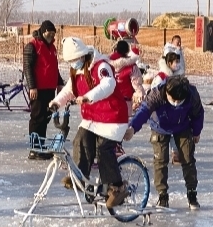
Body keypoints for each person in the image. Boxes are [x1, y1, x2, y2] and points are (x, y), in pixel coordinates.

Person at [49, 36, 129, 208]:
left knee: (103, 149)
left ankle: (117, 187)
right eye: (69, 61)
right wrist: (56, 103)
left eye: (74, 60)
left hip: (113, 117)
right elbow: (69, 90)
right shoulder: (76, 71)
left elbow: (108, 84)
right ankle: (79, 177)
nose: (73, 63)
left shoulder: (101, 66)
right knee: (80, 140)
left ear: (82, 55)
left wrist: (88, 96)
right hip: (93, 118)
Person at [124, 76, 204, 210]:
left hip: (183, 127)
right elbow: (144, 111)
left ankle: (192, 193)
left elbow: (198, 113)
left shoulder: (191, 94)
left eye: (179, 101)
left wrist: (196, 132)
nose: (175, 102)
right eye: (173, 99)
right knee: (160, 161)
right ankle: (162, 195)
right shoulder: (157, 94)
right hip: (159, 127)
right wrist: (133, 128)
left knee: (188, 159)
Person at [23, 20, 64, 160]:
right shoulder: (32, 46)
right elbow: (27, 68)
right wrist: (32, 86)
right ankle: (34, 149)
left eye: (53, 33)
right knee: (37, 118)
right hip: (38, 89)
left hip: (49, 88)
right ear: (43, 31)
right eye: (49, 32)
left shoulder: (52, 48)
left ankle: (40, 146)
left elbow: (54, 67)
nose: (51, 35)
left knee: (45, 118)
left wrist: (59, 83)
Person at [151, 51, 183, 164]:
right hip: (162, 110)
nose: (178, 64)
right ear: (169, 63)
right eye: (176, 62)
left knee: (174, 130)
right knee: (165, 132)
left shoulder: (175, 77)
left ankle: (176, 153)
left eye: (179, 62)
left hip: (173, 109)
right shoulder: (161, 77)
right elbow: (155, 93)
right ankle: (162, 156)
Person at [108, 40, 145, 117]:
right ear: (127, 51)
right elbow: (136, 82)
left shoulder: (106, 63)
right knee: (124, 122)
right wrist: (140, 94)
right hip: (125, 99)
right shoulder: (131, 66)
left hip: (110, 98)